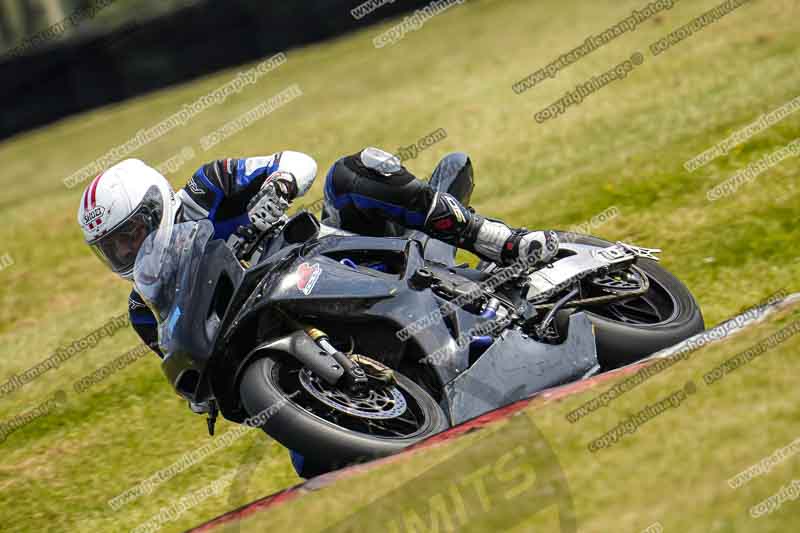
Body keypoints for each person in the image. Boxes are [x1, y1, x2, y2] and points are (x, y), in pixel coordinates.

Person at [77, 146, 559, 390]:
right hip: (281, 345)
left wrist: (275, 192)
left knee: (353, 171)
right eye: (113, 248)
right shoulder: (145, 308)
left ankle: (501, 241)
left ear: (156, 204)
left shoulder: (207, 189)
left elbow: (296, 161)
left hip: (327, 255)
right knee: (311, 463)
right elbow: (189, 372)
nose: (127, 249)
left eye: (132, 232)